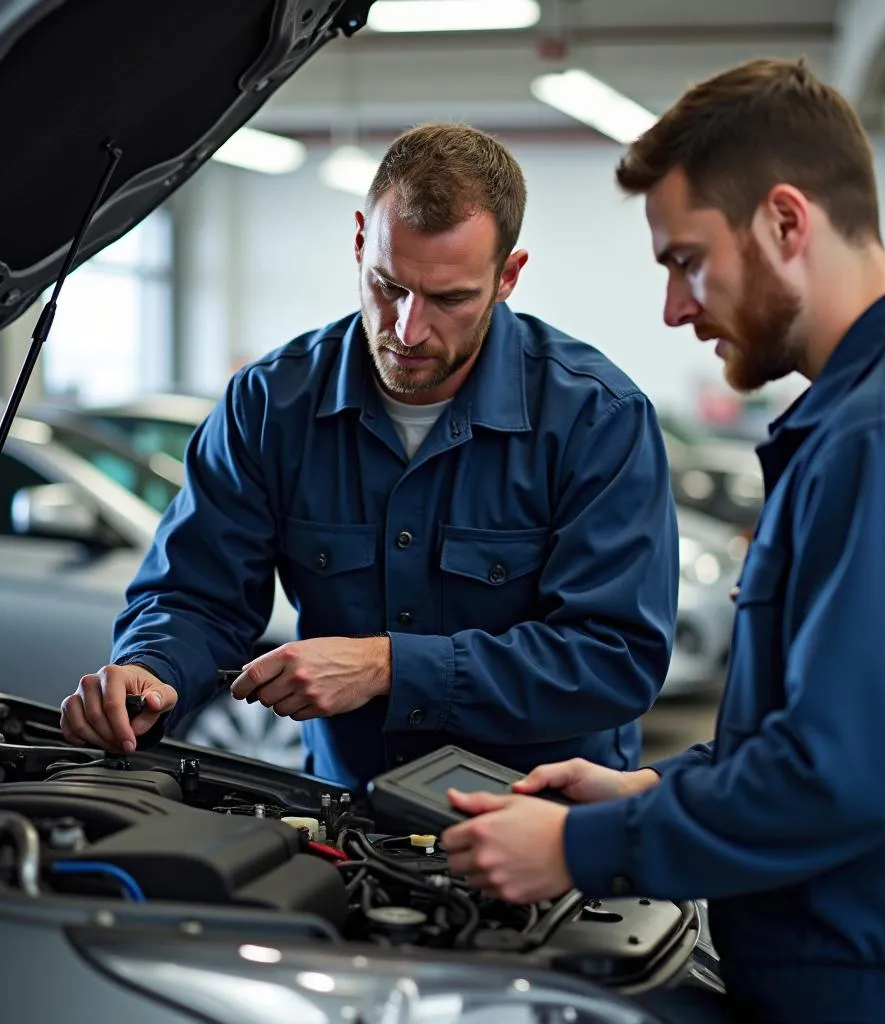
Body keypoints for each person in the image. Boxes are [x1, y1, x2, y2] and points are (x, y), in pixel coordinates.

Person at [439, 59, 885, 1024]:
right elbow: (823, 726)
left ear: (785, 222)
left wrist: (578, 851)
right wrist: (646, 789)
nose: (676, 306)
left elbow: (843, 776)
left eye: (686, 259)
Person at [58, 123, 680, 789]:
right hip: (350, 816)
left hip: (546, 827)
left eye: (449, 298)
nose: (408, 329)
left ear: (507, 277)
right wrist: (152, 669)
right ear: (360, 241)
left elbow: (615, 660)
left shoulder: (596, 419)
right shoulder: (270, 404)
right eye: (388, 285)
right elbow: (195, 594)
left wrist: (387, 667)